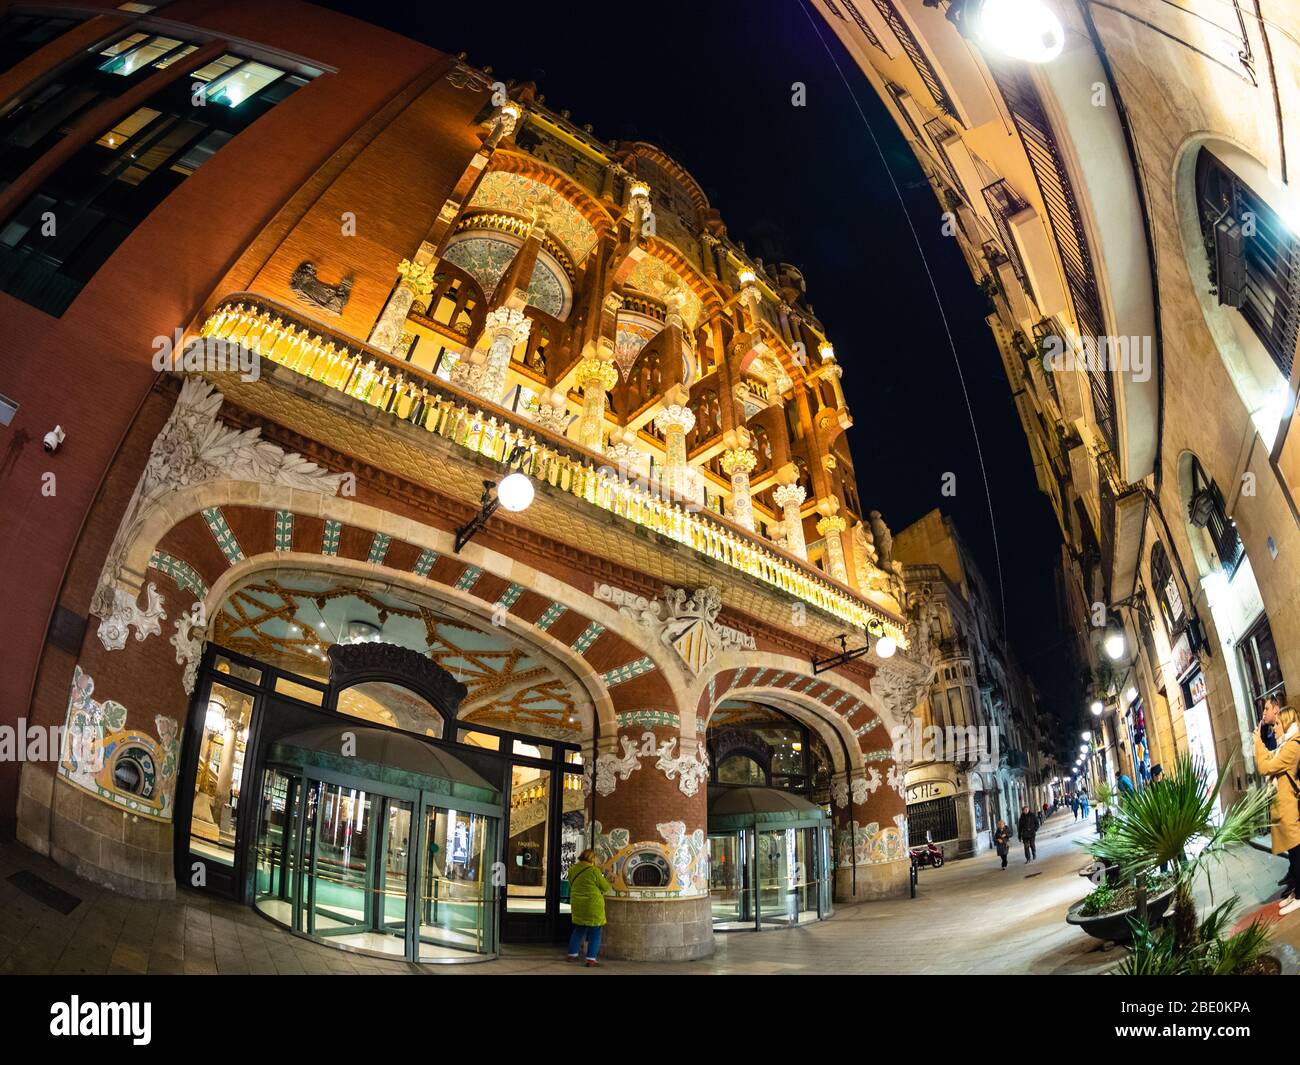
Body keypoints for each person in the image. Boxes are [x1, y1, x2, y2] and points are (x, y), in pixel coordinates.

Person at [1254, 697, 1300, 915]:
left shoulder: (1291, 747)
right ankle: (1296, 890)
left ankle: (1299, 894)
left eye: (1279, 724)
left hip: (1291, 805)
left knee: (1298, 851)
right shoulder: (1285, 746)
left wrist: (1257, 743)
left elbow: (1265, 766)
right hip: (1285, 806)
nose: (1275, 728)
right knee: (1294, 852)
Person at [566, 849, 613, 965]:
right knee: (595, 932)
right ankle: (591, 959)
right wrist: (607, 877)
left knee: (579, 929)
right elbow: (605, 887)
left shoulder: (572, 869)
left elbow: (572, 884)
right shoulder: (594, 871)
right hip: (593, 905)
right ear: (592, 859)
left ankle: (572, 954)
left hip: (577, 904)